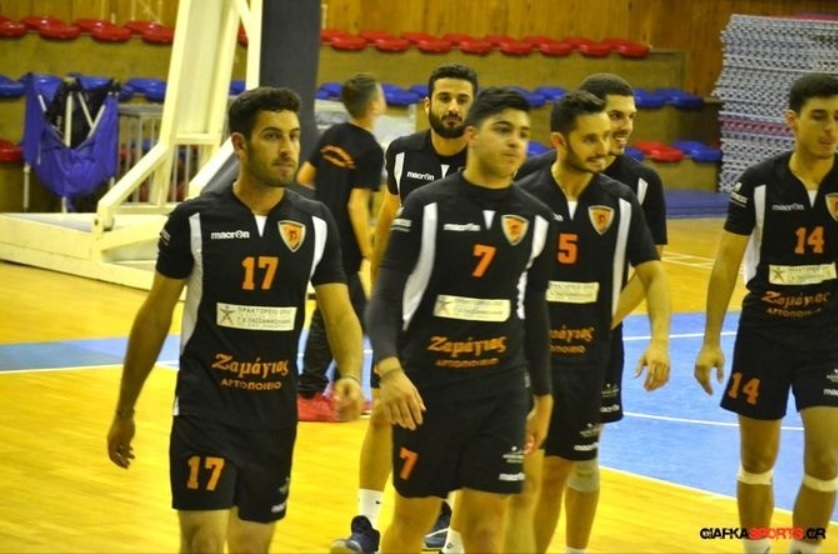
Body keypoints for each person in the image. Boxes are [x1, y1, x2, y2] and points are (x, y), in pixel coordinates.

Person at [106, 86, 366, 553]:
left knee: (252, 546)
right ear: (240, 145)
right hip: (206, 411)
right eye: (272, 136)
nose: (288, 149)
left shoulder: (315, 222)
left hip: (273, 419)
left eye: (293, 136)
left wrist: (349, 373)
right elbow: (154, 317)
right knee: (203, 541)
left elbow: (340, 311)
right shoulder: (195, 220)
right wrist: (125, 411)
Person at [367, 86, 555, 554]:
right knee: (411, 522)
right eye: (503, 130)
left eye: (523, 134)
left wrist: (544, 395)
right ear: (472, 135)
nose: (515, 142)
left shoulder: (537, 219)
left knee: (487, 528)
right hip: (429, 392)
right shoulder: (425, 206)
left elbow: (535, 311)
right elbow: (386, 295)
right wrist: (389, 368)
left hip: (500, 393)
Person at [515, 73, 669, 553]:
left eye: (611, 133)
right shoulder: (524, 191)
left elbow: (654, 274)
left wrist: (657, 340)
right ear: (560, 141)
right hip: (527, 358)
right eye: (593, 137)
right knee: (521, 478)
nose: (604, 146)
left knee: (561, 471)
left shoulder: (624, 198)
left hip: (588, 358)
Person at [331, 63, 478, 554]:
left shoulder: (486, 158)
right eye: (445, 98)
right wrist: (382, 301)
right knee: (382, 415)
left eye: (462, 99)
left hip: (463, 318)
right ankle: (365, 525)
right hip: (406, 314)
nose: (453, 107)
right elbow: (388, 225)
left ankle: (444, 515)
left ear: (473, 108)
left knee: (452, 422)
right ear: (428, 104)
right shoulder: (401, 153)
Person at [694, 72, 838, 554]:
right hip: (764, 336)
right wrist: (710, 341)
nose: (831, 129)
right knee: (757, 458)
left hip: (827, 337)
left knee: (827, 457)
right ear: (792, 120)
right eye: (820, 117)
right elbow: (725, 264)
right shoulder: (757, 183)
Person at [296, 73, 386, 422]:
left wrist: (330, 189)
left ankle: (341, 388)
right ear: (375, 105)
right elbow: (356, 205)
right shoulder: (370, 150)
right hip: (343, 244)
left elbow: (304, 177)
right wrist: (369, 251)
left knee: (356, 317)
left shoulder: (332, 134)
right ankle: (308, 393)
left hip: (321, 232)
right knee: (328, 319)